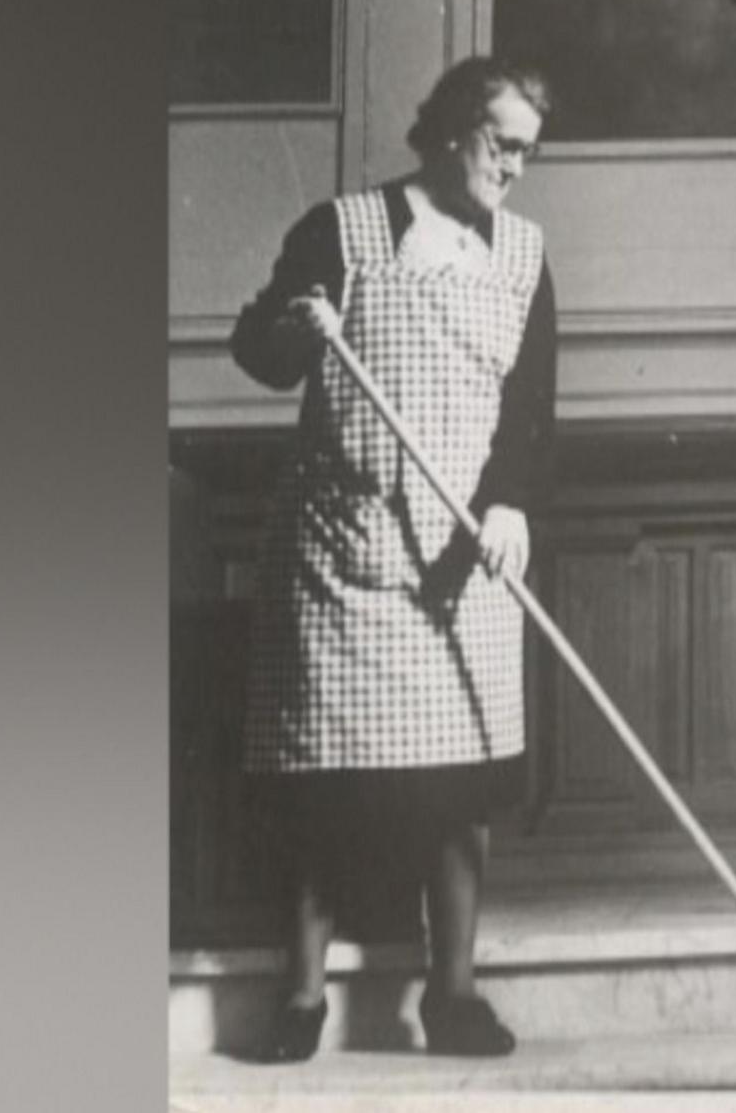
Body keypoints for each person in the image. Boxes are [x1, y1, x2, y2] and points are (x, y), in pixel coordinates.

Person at [226, 57, 560, 1063]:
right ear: (452, 128)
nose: (514, 169)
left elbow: (532, 409)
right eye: (502, 143)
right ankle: (298, 997)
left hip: (465, 558)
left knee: (460, 790)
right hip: (344, 553)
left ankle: (451, 995)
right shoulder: (341, 230)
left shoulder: (525, 253)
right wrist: (297, 325)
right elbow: (260, 350)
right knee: (324, 785)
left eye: (527, 152)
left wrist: (511, 504)